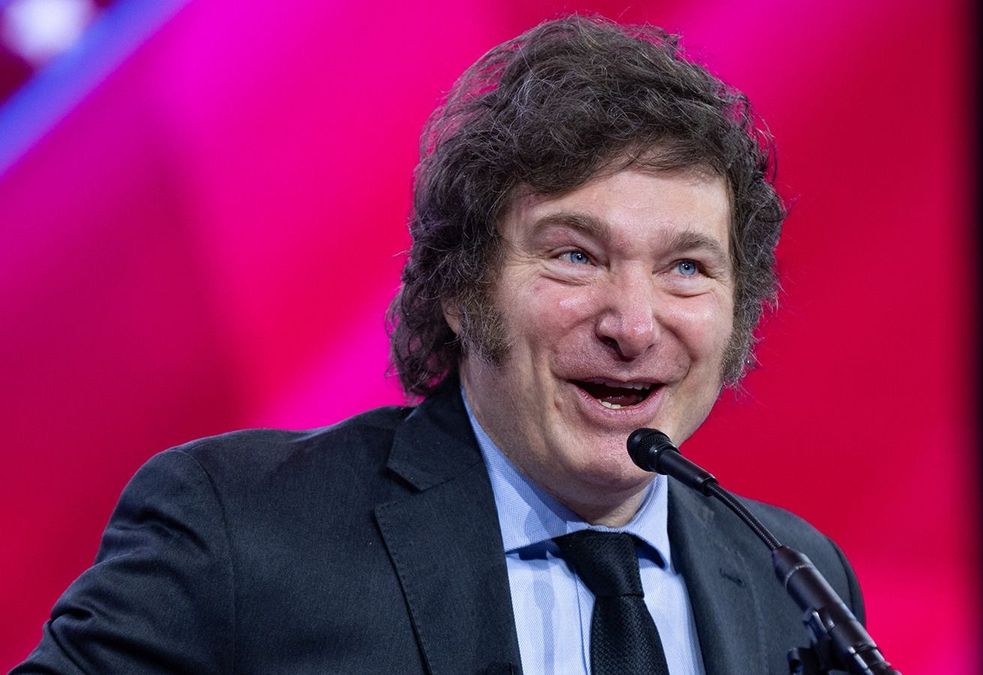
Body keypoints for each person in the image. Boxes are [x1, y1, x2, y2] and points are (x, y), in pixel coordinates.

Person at [15, 16, 864, 675]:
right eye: (574, 256)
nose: (633, 323)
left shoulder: (797, 579)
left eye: (686, 267)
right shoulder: (238, 530)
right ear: (459, 287)